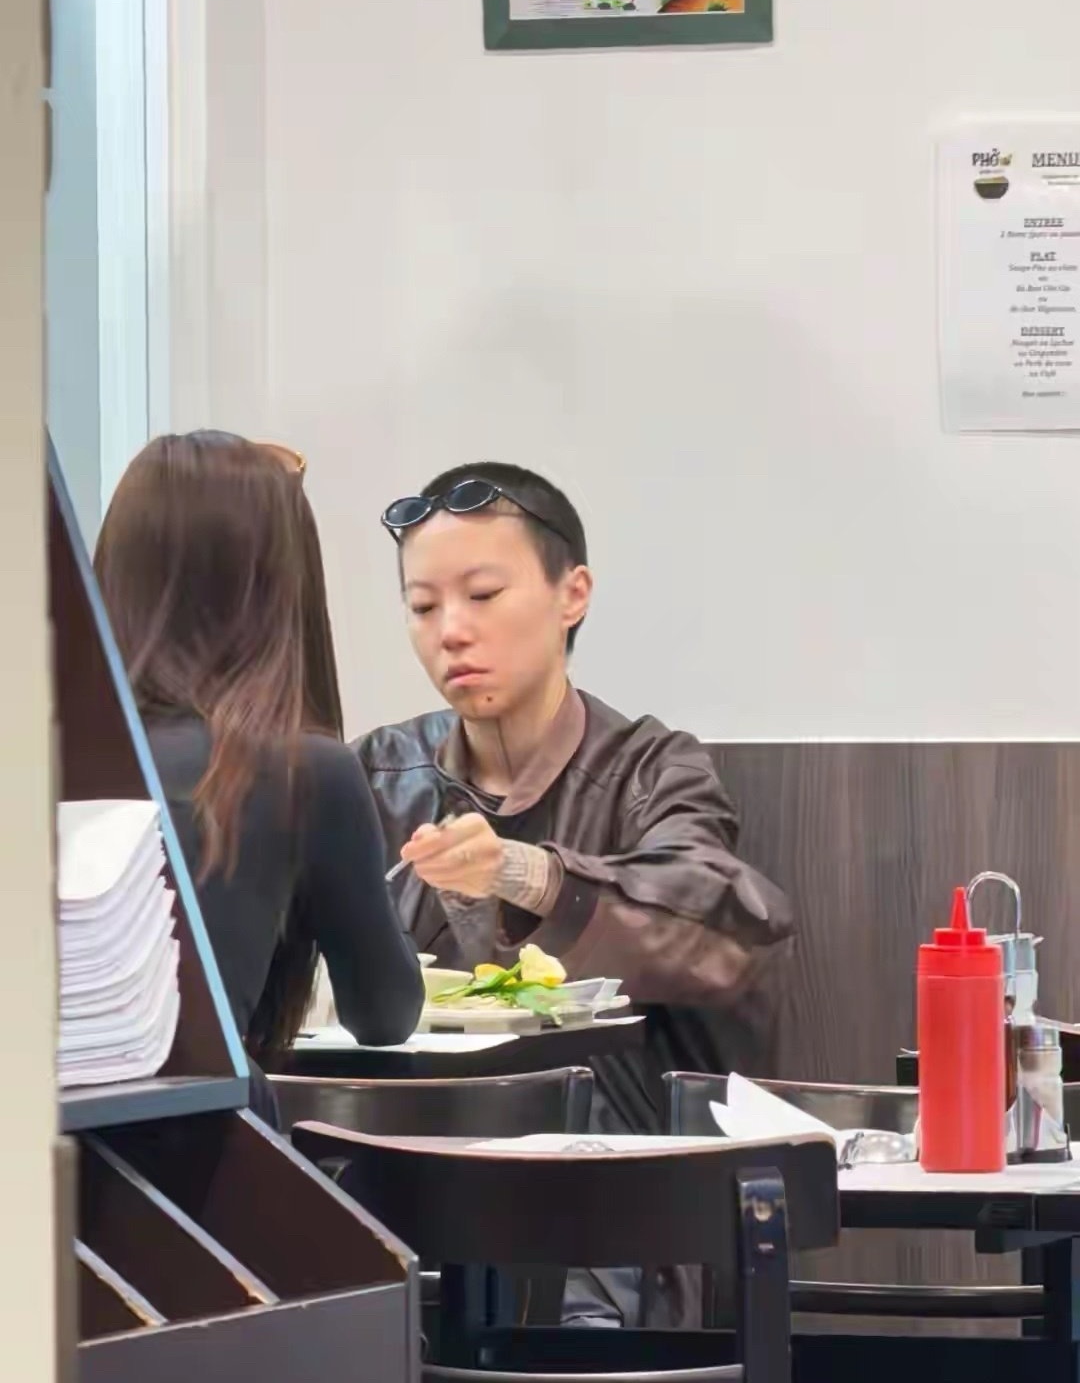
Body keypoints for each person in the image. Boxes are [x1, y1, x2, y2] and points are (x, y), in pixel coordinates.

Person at [355, 462, 794, 1324]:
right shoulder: (377, 773)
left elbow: (723, 932)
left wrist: (526, 874)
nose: (452, 631)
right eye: (423, 606)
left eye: (484, 594)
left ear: (573, 594)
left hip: (608, 1211)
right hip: (408, 1198)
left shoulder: (651, 772)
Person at [94, 431, 424, 1115]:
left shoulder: (54, 756)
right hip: (188, 1156)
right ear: (283, 585)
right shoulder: (304, 770)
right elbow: (385, 1013)